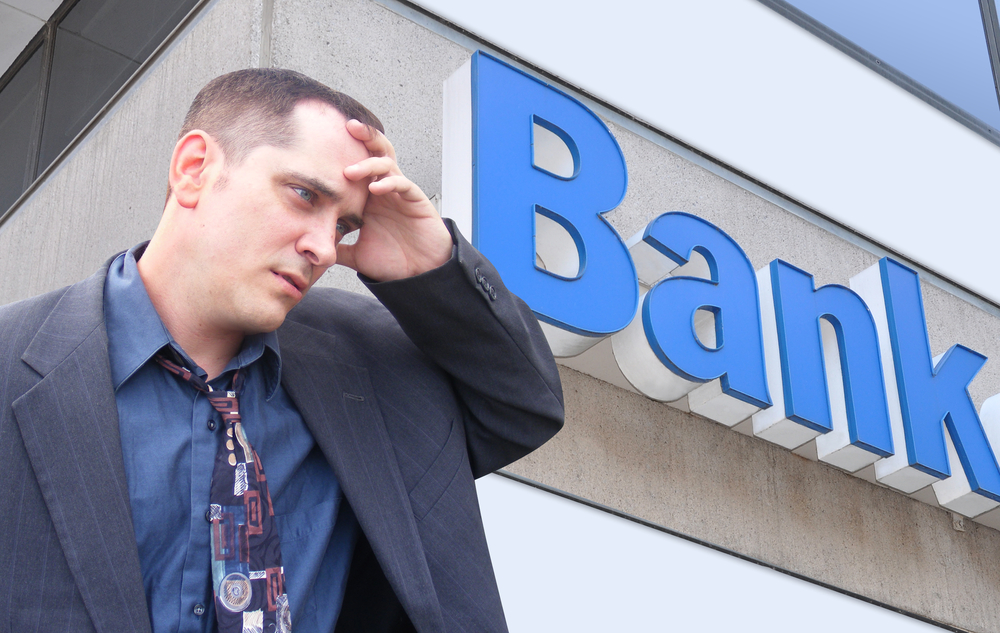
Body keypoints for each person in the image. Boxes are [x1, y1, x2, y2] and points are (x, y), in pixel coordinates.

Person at [0, 68, 564, 632]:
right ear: (194, 169)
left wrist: (431, 268)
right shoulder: (14, 363)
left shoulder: (367, 366)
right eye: (304, 195)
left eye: (343, 224)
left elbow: (521, 408)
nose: (323, 248)